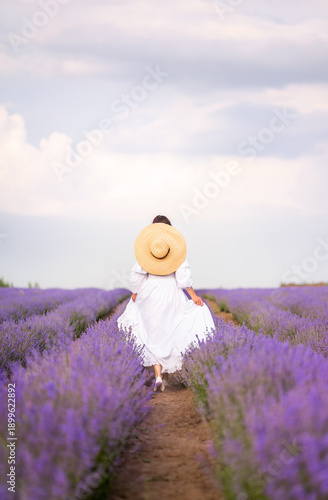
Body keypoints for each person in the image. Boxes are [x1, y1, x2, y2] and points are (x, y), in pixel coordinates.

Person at [117, 215, 215, 392]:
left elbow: (136, 277)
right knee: (170, 329)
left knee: (152, 332)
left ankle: (158, 376)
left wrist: (136, 293)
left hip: (149, 293)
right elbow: (183, 279)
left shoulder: (148, 251)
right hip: (171, 293)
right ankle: (166, 378)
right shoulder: (175, 251)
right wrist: (193, 296)